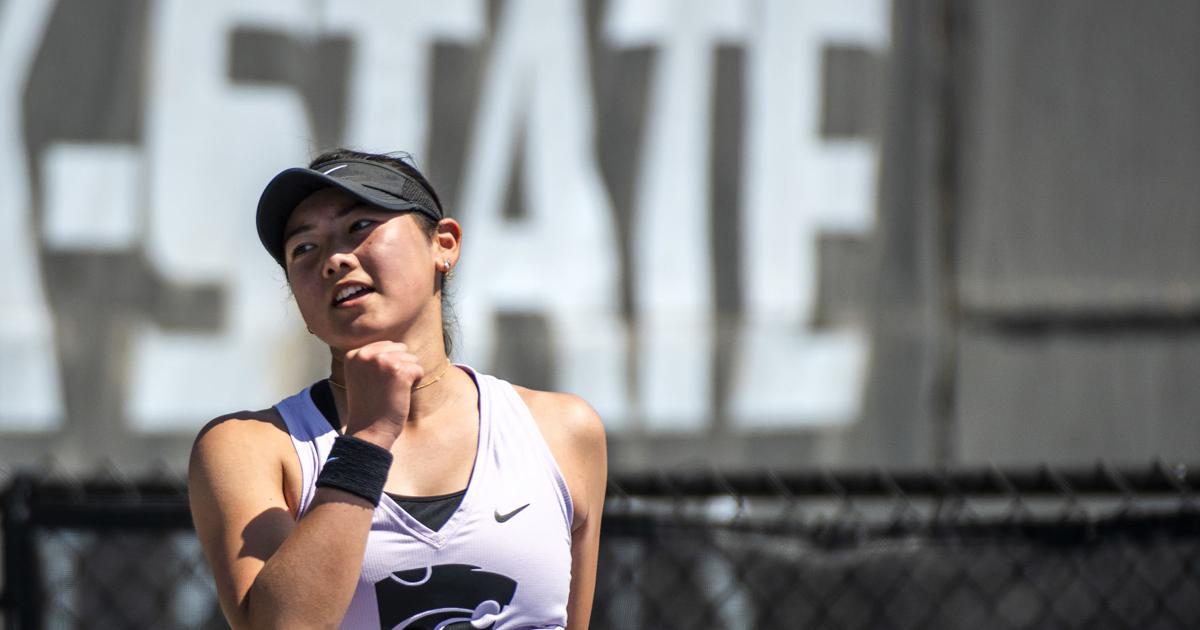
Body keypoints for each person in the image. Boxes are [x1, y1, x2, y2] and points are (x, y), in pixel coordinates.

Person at [188, 148, 608, 629]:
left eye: (360, 227)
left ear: (444, 244)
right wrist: (366, 442)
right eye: (303, 248)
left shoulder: (562, 431)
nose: (334, 260)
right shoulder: (250, 448)